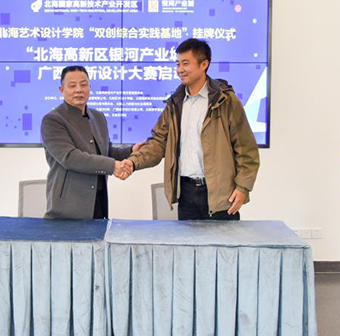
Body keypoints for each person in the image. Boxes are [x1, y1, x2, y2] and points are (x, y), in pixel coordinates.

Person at [125, 38, 260, 220]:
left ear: (204, 64)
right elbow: (158, 142)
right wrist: (133, 162)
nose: (180, 69)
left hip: (220, 195)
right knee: (187, 240)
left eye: (186, 63)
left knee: (221, 240)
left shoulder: (226, 101)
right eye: (178, 64)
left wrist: (243, 187)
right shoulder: (175, 104)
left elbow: (246, 149)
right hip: (186, 194)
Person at [41, 65, 141, 219]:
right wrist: (113, 166)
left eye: (83, 84)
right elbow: (70, 158)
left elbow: (105, 152)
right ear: (61, 90)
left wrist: (131, 150)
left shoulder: (98, 117)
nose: (78, 90)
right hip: (69, 207)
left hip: (98, 201)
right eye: (72, 86)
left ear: (89, 87)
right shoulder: (53, 120)